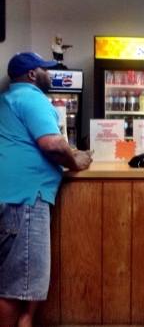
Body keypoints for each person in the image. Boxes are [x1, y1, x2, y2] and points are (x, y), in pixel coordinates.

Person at [0, 52, 93, 327]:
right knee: (15, 289)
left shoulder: (6, 100)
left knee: (16, 283)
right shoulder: (32, 97)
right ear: (32, 74)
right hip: (24, 201)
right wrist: (75, 161)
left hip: (10, 197)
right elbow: (53, 144)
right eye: (45, 69)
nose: (50, 75)